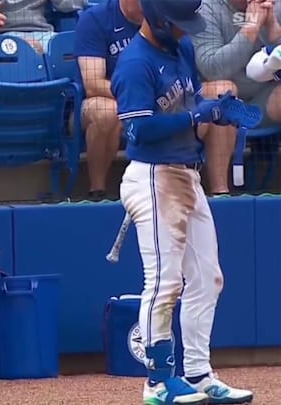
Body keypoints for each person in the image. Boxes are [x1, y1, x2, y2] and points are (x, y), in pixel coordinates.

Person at [111, 0, 255, 403]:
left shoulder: (182, 49)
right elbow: (138, 131)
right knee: (164, 280)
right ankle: (157, 380)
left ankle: (197, 372)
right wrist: (194, 118)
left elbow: (187, 102)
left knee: (209, 277)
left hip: (186, 175)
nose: (183, 30)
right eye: (176, 24)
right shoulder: (135, 64)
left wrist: (214, 113)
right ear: (156, 18)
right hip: (153, 178)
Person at [191, 0, 281, 195]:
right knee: (223, 92)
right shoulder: (206, 8)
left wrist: (275, 30)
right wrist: (250, 29)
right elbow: (212, 68)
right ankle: (220, 193)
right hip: (222, 102)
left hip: (262, 103)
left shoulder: (275, 5)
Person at [73, 0, 143, 201]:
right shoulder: (95, 19)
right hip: (98, 101)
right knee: (108, 112)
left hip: (150, 98)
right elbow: (93, 83)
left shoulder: (161, 17)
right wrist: (136, 95)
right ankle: (97, 191)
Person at [0, 0, 86, 54]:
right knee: (26, 51)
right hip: (4, 34)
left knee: (74, 50)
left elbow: (68, 5)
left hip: (42, 32)